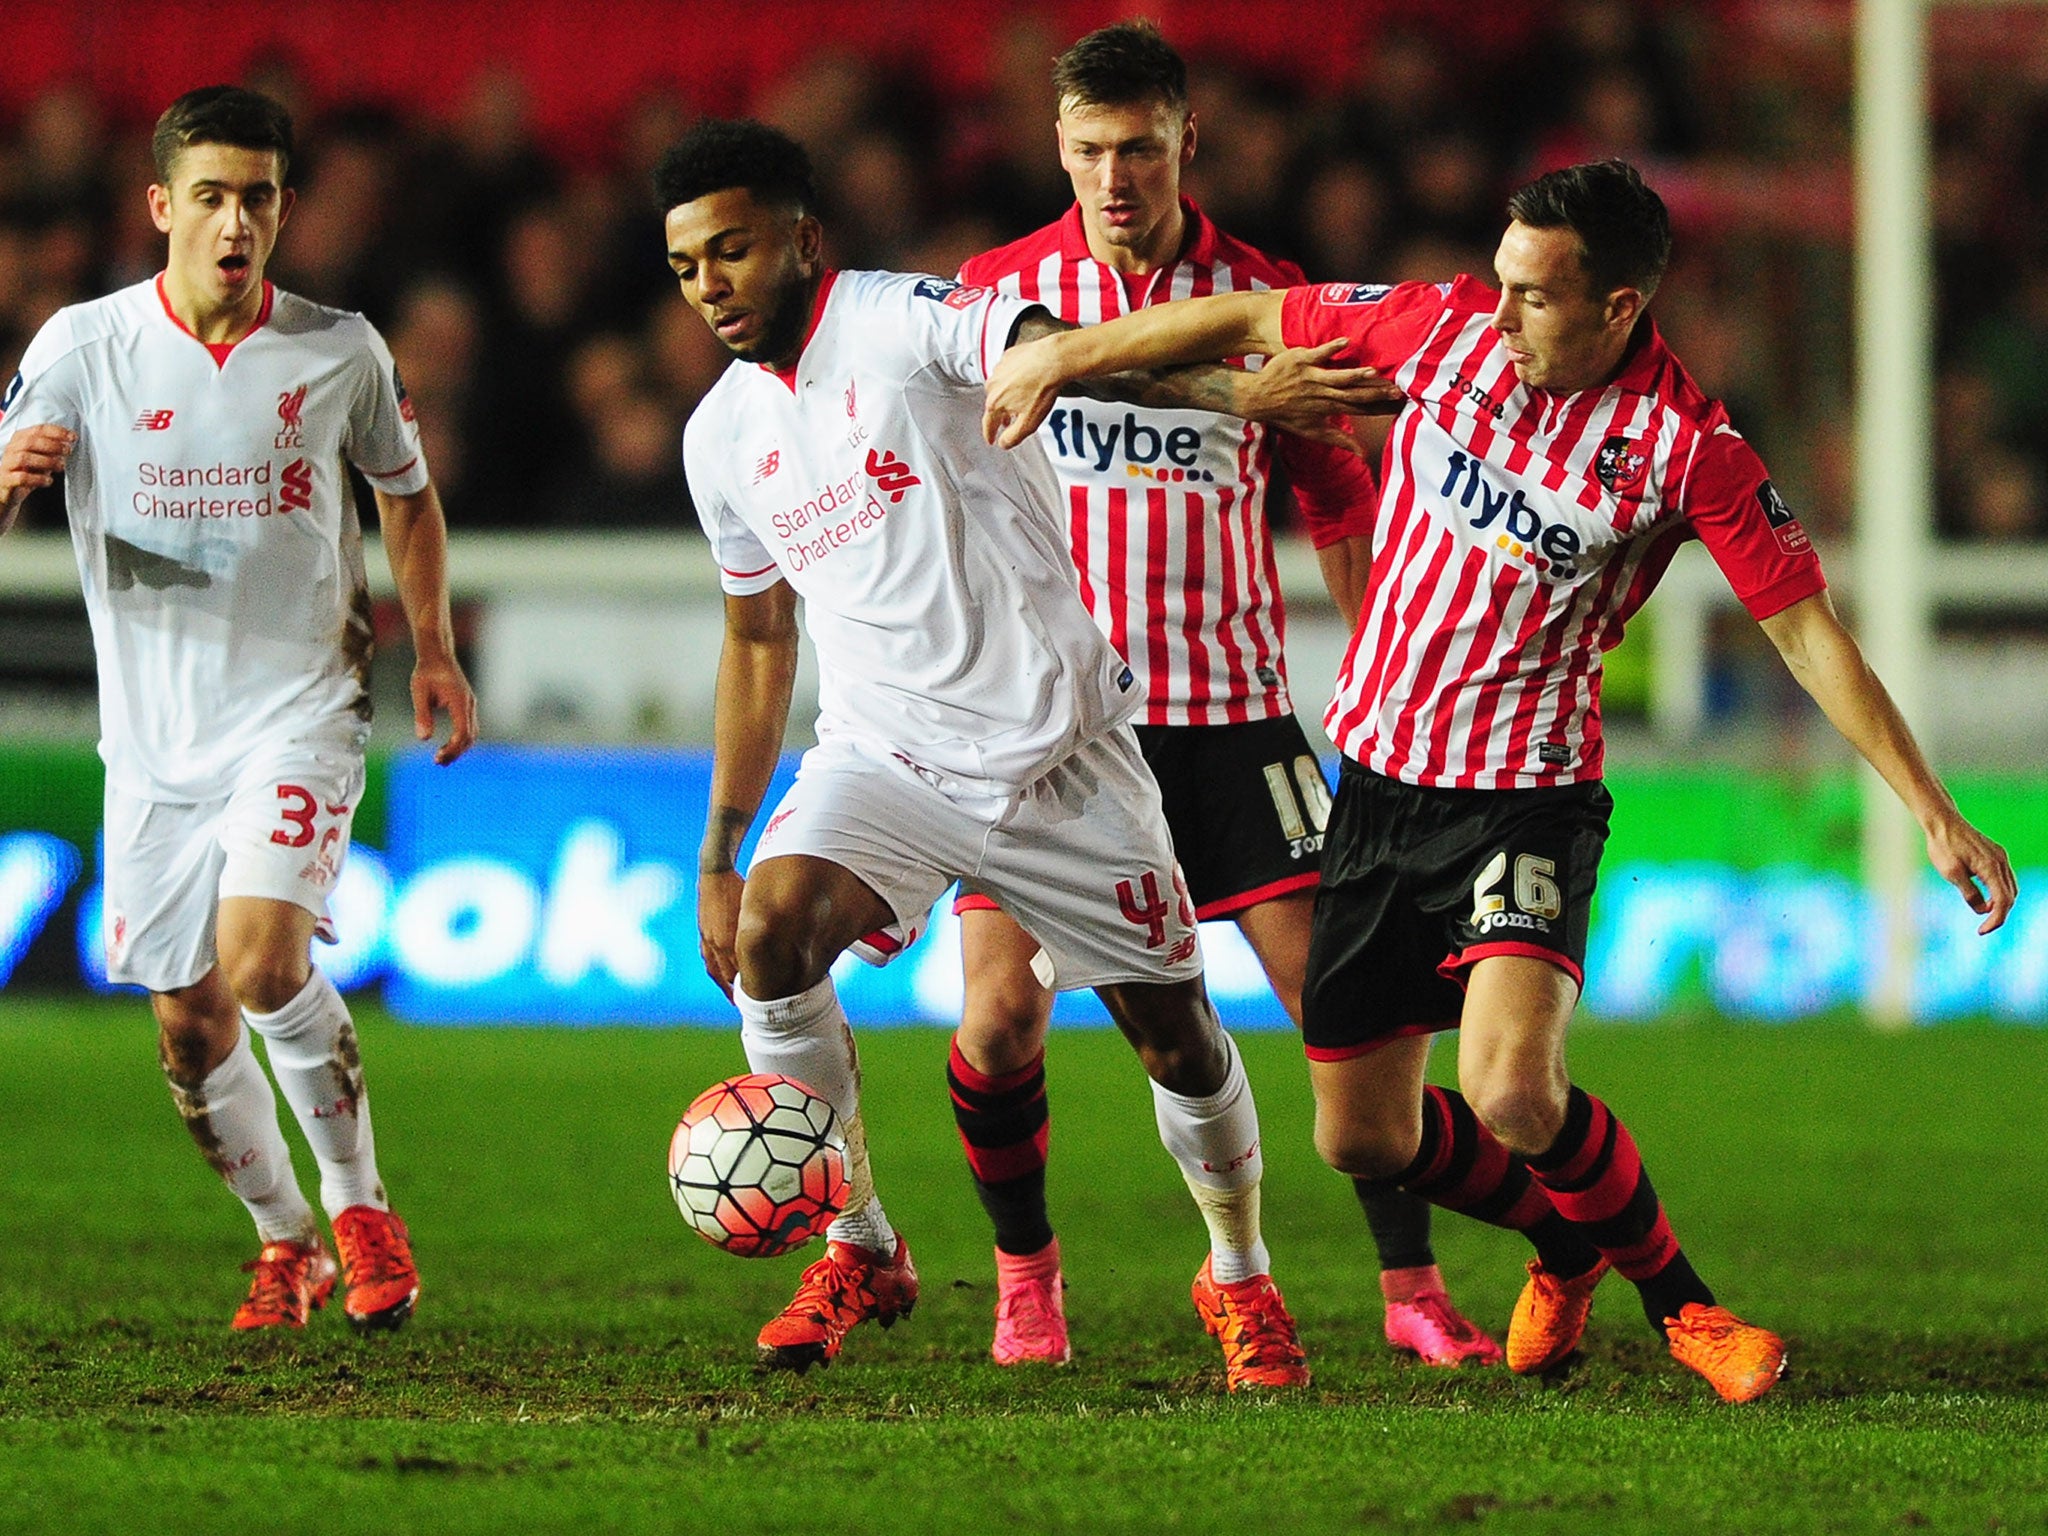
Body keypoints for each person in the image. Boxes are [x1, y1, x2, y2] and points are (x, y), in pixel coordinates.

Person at [984, 158, 2018, 1402]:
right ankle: (1564, 1243)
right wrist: (1064, 354)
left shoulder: (1689, 452)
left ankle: (1685, 1308)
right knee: (1359, 1135)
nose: (1504, 306)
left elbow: (1805, 632)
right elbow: (1246, 318)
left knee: (1511, 1090)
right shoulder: (1444, 329)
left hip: (1522, 793)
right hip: (1373, 784)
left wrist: (1928, 808)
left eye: (1536, 293)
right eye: (1503, 277)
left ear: (1622, 307)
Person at [665, 118, 1378, 1387]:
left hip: (1061, 755)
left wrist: (1231, 392)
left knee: (1178, 1038)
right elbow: (757, 637)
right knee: (772, 936)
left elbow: (1058, 356)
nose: (711, 284)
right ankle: (859, 1240)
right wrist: (722, 843)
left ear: (801, 240)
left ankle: (1238, 1275)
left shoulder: (898, 321)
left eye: (732, 249)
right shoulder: (719, 437)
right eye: (685, 267)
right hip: (884, 757)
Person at [946, 19, 1497, 1370]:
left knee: (1344, 1015)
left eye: (1138, 146)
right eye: (1088, 149)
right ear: (1057, 146)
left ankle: (1411, 1292)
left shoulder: (1270, 293)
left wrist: (1391, 682)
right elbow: (973, 435)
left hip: (1231, 718)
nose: (1114, 177)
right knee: (1001, 1015)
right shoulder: (1001, 290)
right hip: (1054, 728)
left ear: (1187, 140)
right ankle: (1028, 1279)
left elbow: (1343, 509)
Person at [0, 87, 476, 1332]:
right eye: (209, 195)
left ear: (283, 210)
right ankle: (288, 1247)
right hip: (154, 740)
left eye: (257, 196)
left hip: (300, 709)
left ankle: (363, 1212)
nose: (234, 221)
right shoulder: (82, 346)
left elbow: (405, 496)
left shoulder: (339, 350)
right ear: (161, 207)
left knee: (265, 963)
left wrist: (429, 646)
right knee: (186, 1023)